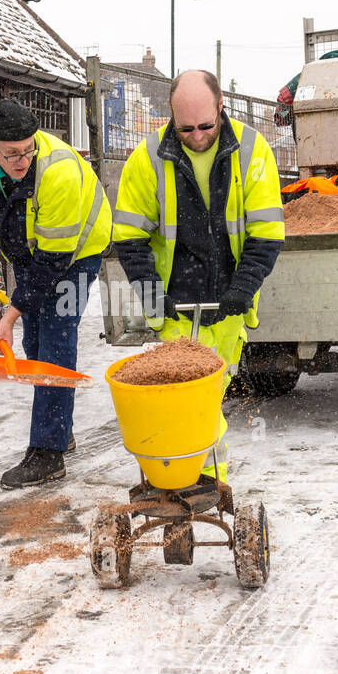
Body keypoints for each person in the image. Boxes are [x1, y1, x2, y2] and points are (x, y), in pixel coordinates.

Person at [112, 70, 284, 484]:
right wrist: (154, 296)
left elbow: (267, 233)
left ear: (221, 106)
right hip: (175, 303)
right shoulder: (147, 157)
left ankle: (206, 482)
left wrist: (243, 289)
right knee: (177, 401)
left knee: (208, 400)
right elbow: (130, 239)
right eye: (184, 128)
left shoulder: (252, 149)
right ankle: (179, 480)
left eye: (206, 126)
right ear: (170, 116)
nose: (196, 135)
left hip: (227, 300)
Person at [0, 99, 111, 489]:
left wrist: (10, 312)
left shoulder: (60, 172)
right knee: (35, 340)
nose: (22, 160)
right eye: (12, 154)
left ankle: (48, 453)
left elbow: (54, 261)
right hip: (26, 247)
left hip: (76, 251)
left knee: (56, 334)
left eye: (28, 150)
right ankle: (58, 423)